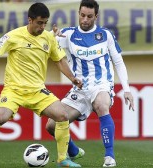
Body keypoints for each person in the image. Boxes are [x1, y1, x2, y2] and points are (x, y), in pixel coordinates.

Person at [0, 2, 83, 167]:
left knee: (62, 116)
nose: (42, 26)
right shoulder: (14, 36)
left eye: (45, 23)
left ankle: (63, 160)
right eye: (39, 23)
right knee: (0, 118)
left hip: (38, 91)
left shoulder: (49, 38)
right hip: (14, 90)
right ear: (30, 20)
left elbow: (59, 60)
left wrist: (72, 78)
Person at [46, 0, 135, 167]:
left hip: (102, 85)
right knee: (51, 125)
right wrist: (51, 37)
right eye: (82, 15)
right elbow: (45, 44)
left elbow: (118, 61)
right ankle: (73, 151)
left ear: (96, 17)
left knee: (102, 104)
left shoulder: (105, 34)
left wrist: (127, 89)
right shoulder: (68, 34)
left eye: (89, 16)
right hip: (80, 89)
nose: (85, 20)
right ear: (78, 14)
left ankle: (109, 156)